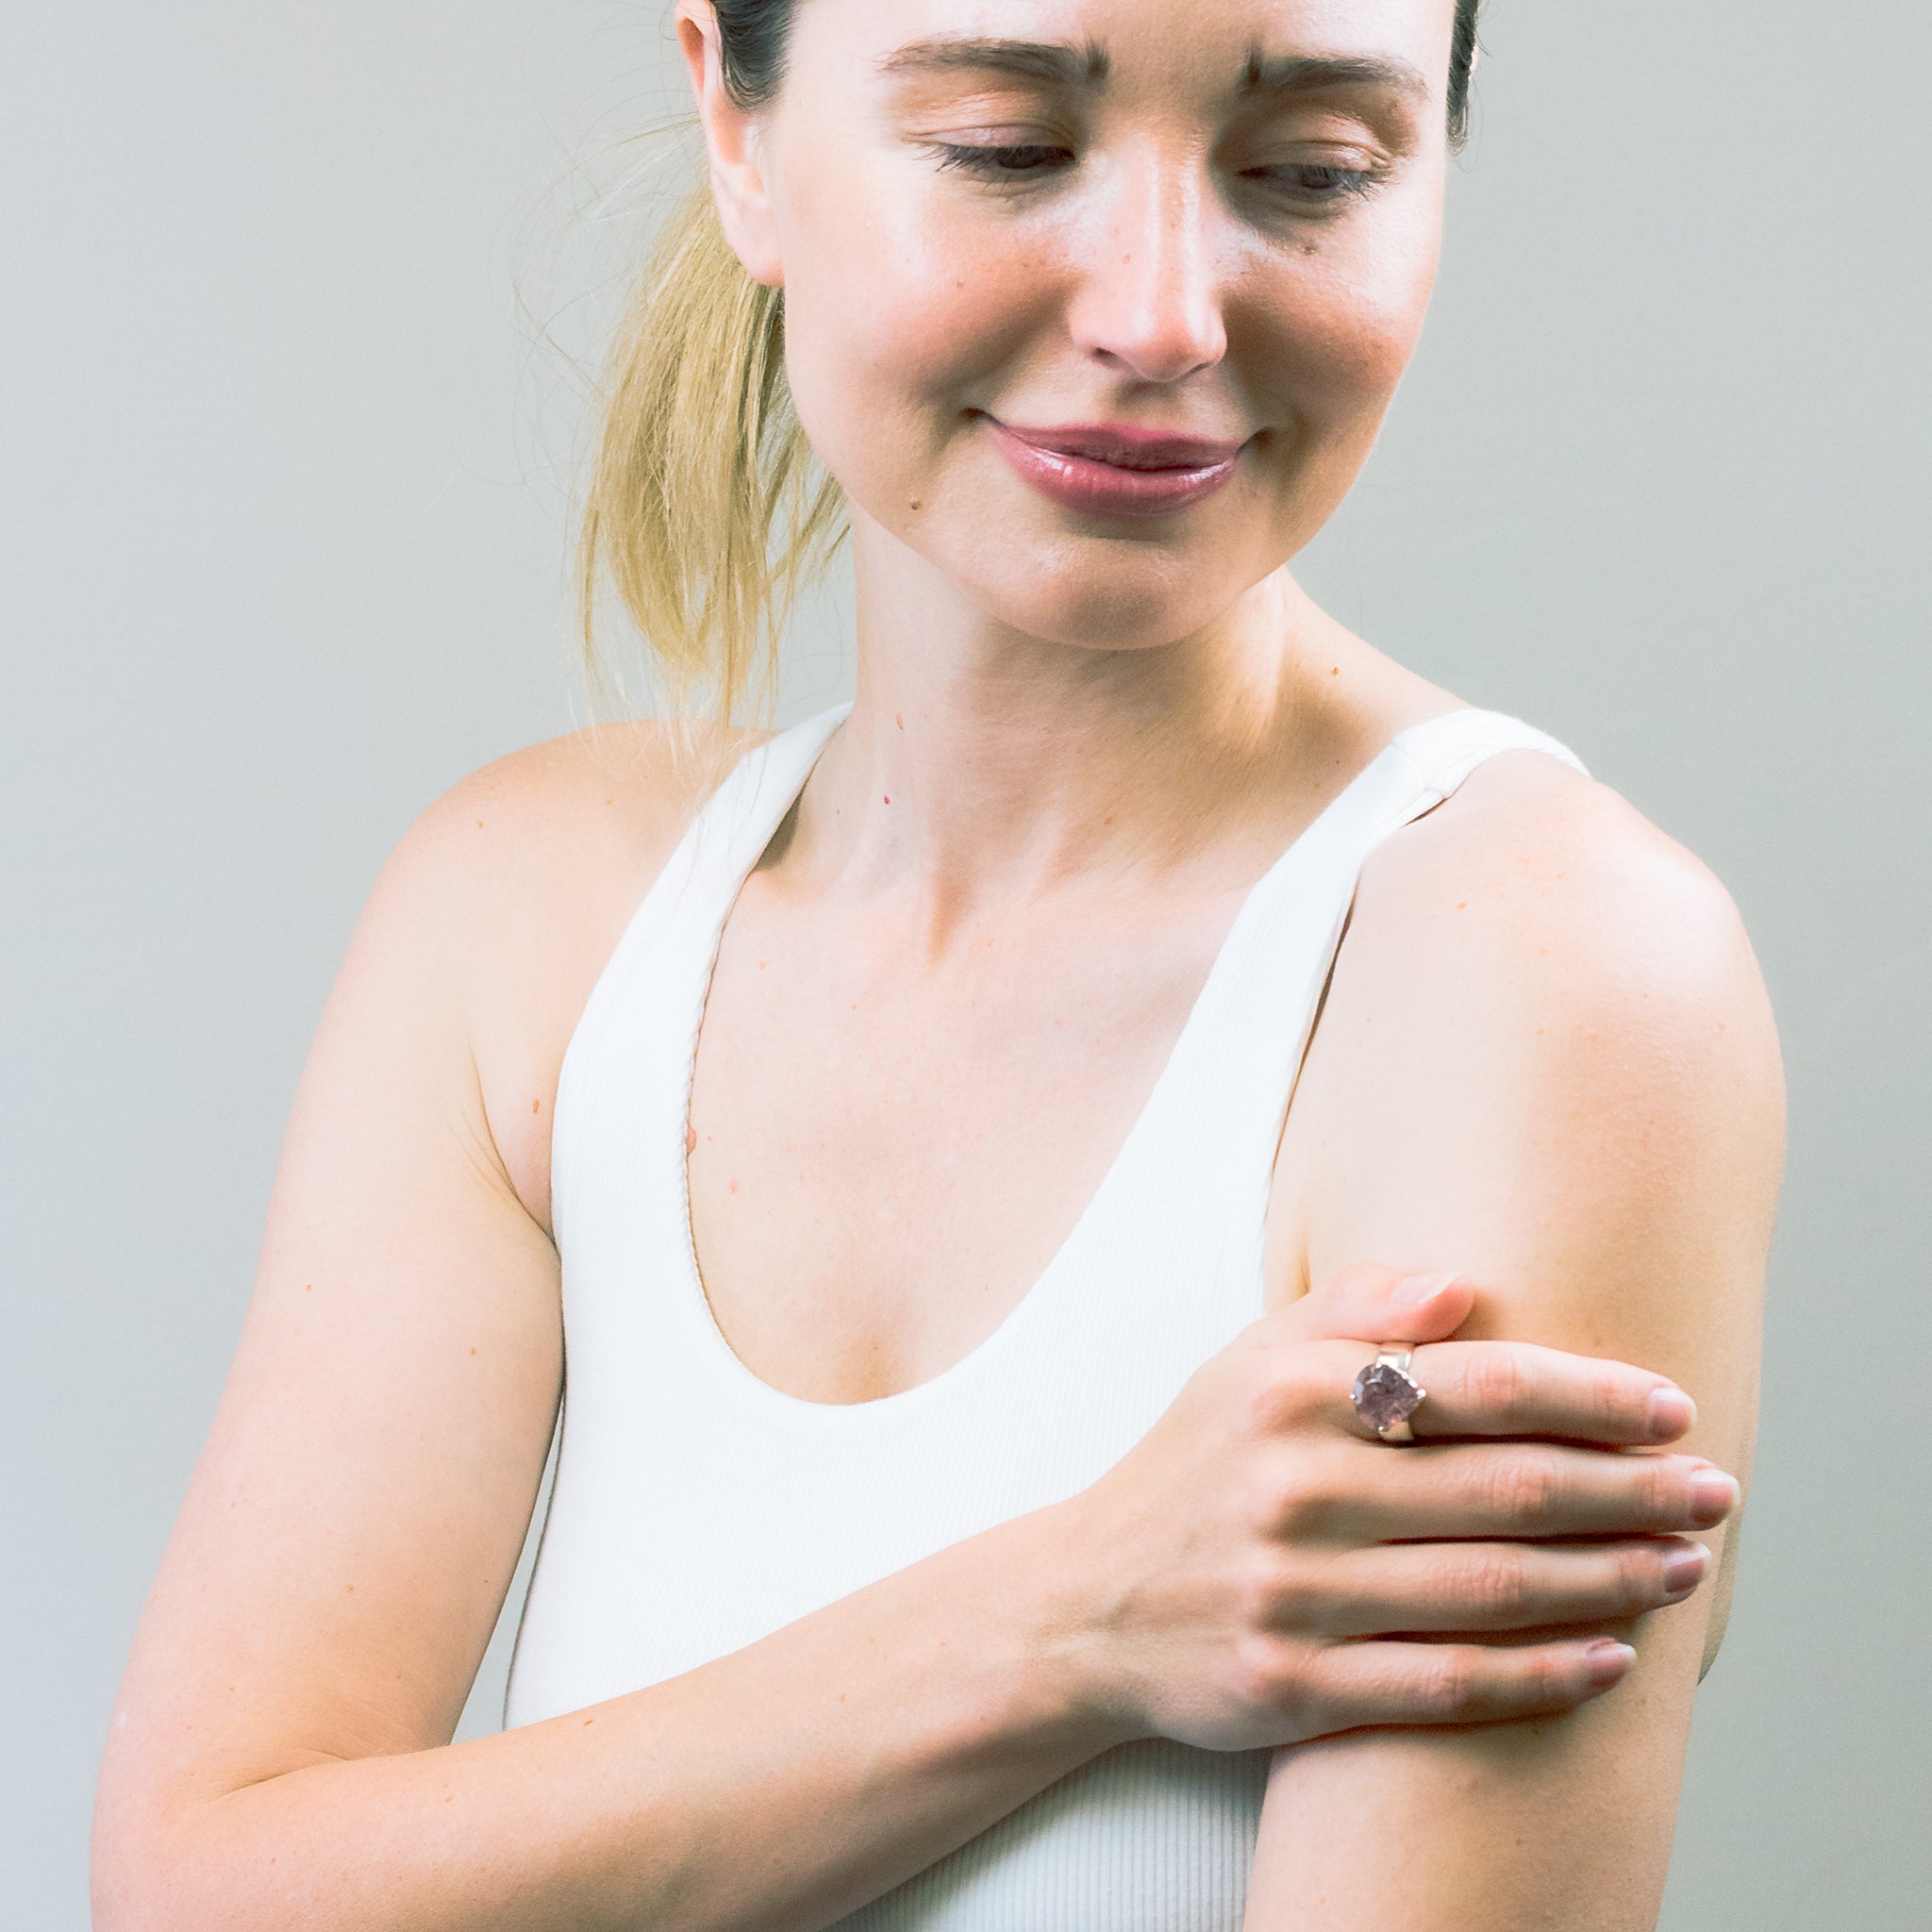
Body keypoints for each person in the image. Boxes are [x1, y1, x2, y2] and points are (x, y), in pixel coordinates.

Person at [91, 0, 1783, 1927]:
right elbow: (205, 1884)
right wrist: (1072, 1612)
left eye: (1309, 170)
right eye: (1002, 143)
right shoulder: (533, 921)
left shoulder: (1535, 972)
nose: (1161, 317)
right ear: (742, 140)